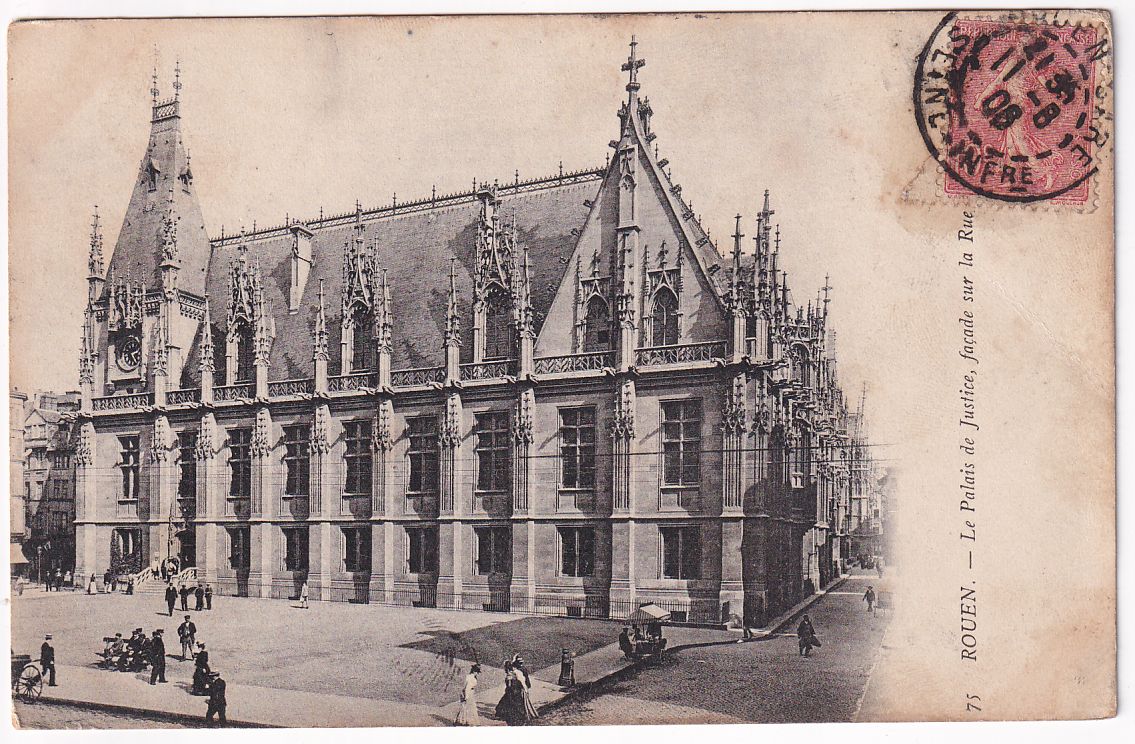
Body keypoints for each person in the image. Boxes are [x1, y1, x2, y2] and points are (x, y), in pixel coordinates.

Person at [511, 655, 538, 724]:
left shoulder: (519, 670)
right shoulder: (523, 668)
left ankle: (525, 714)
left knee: (523, 700)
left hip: (522, 686)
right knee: (525, 700)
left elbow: (523, 680)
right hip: (524, 685)